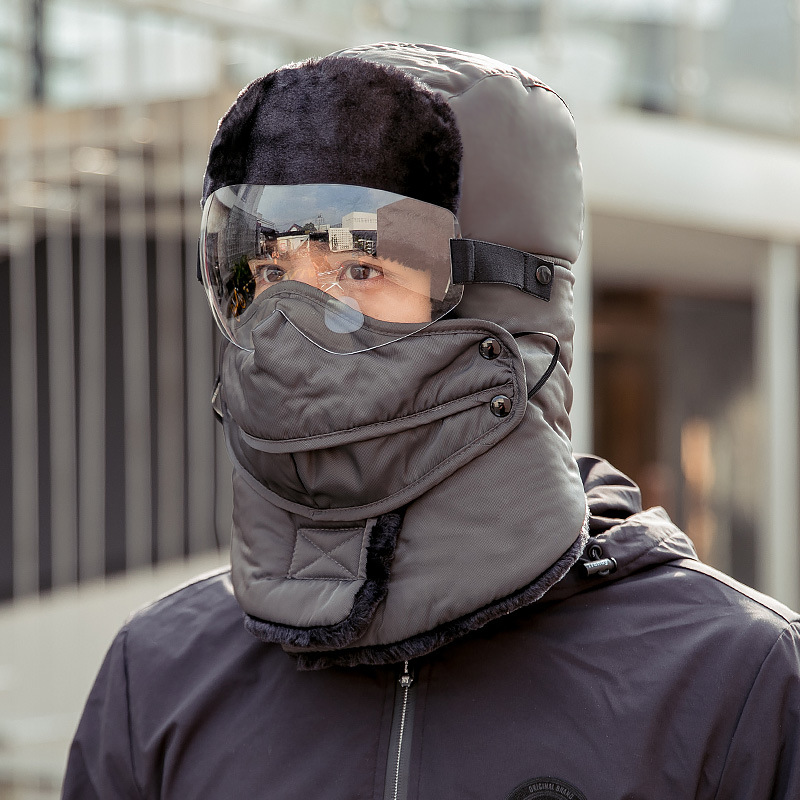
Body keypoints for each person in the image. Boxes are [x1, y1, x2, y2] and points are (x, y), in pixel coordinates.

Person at [62, 42, 800, 800]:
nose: (288, 327)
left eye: (359, 270)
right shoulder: (159, 675)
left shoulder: (731, 682)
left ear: (505, 300)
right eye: (271, 275)